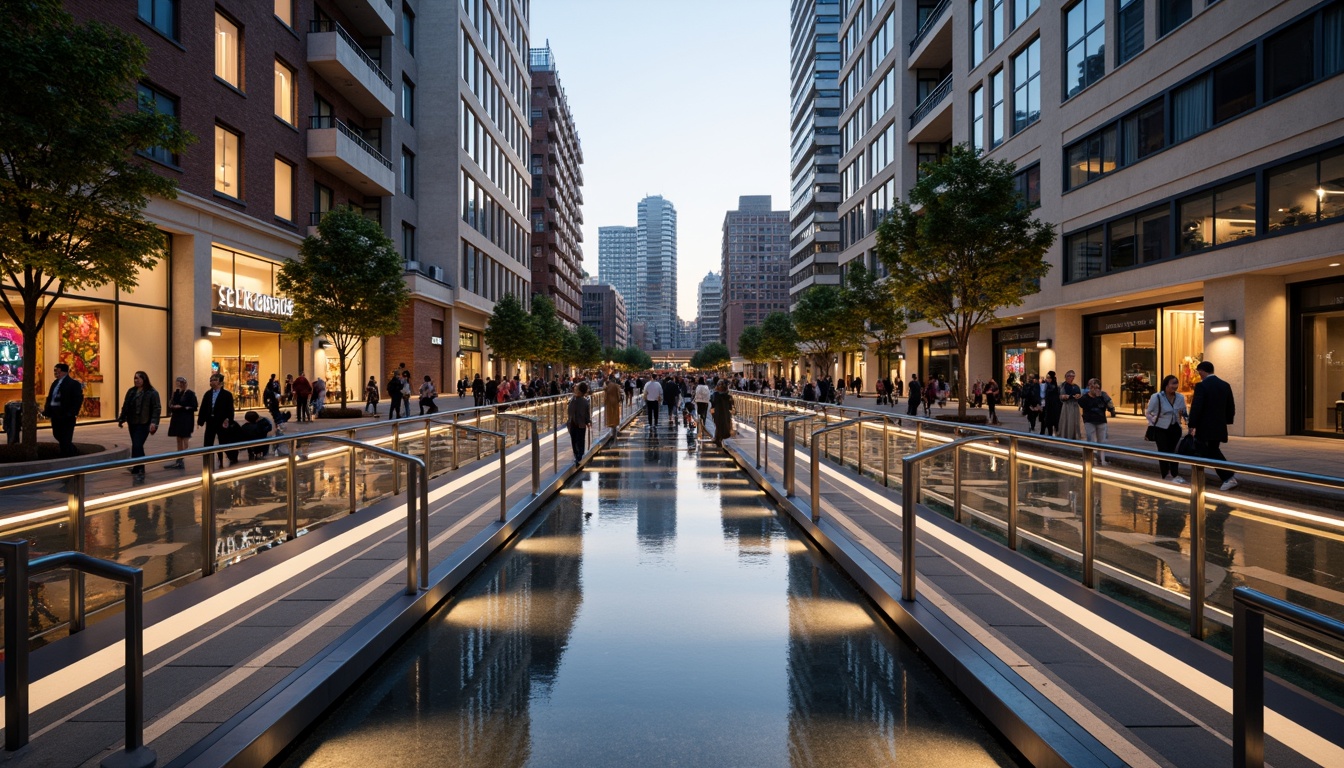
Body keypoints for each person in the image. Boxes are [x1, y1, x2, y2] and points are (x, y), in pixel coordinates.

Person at [1188, 361, 1238, 490]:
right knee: (1210, 450)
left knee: (1209, 451)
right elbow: (1230, 406)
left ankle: (1228, 477)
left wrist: (1192, 424)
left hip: (1205, 427)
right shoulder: (1225, 385)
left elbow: (1196, 407)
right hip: (1219, 426)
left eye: (1199, 373)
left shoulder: (1202, 386)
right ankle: (1203, 478)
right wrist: (1226, 421)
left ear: (1202, 371)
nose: (1199, 375)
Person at [117, 370, 161, 477]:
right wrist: (122, 418)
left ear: (144, 379)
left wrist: (154, 423)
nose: (136, 380)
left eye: (138, 378)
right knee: (137, 446)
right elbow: (126, 405)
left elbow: (156, 408)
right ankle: (138, 467)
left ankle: (139, 467)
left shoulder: (152, 392)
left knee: (137, 445)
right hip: (133, 422)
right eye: (135, 378)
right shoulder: (131, 391)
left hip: (144, 422)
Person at [1146, 374, 1189, 484]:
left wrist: (1189, 425)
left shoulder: (1180, 397)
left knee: (1174, 452)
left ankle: (1175, 474)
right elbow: (1148, 412)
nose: (1175, 386)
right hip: (1161, 428)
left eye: (1176, 383)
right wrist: (1154, 421)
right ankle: (1166, 474)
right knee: (1163, 451)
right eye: (1172, 383)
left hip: (1175, 428)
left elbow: (1184, 412)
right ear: (1166, 384)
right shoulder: (1157, 397)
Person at [42, 362, 84, 457]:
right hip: (55, 414)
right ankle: (72, 451)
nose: (55, 373)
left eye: (57, 371)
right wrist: (47, 410)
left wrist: (72, 412)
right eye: (54, 371)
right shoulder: (55, 383)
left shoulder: (73, 384)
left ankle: (67, 454)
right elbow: (50, 397)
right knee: (57, 434)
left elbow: (77, 399)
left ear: (64, 372)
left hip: (66, 415)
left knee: (66, 436)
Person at [198, 373, 235, 465]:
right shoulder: (208, 394)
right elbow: (203, 407)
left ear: (220, 382)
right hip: (210, 421)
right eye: (211, 380)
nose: (212, 382)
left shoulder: (227, 395)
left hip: (221, 421)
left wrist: (229, 419)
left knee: (224, 440)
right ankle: (207, 459)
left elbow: (230, 409)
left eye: (215, 380)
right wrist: (201, 420)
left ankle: (231, 457)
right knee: (208, 441)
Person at [1079, 378, 1117, 464]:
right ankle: (1093, 459)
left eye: (1097, 387)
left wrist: (1112, 410)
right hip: (1089, 420)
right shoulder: (1085, 397)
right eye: (1092, 387)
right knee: (1091, 440)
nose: (1095, 389)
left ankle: (1102, 459)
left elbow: (1109, 403)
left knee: (1102, 441)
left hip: (1101, 420)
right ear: (1089, 387)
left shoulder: (1103, 395)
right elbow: (1081, 403)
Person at [165, 376, 198, 469]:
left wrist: (182, 407)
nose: (180, 385)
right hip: (177, 418)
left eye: (181, 383)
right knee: (179, 440)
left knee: (185, 441)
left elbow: (194, 406)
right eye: (178, 383)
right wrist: (174, 406)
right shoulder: (176, 393)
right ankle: (179, 460)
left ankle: (180, 459)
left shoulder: (190, 394)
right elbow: (171, 404)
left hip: (186, 419)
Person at [1057, 370, 1084, 439]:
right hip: (1067, 405)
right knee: (1067, 420)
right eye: (1071, 376)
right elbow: (1060, 396)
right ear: (1066, 377)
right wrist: (1068, 396)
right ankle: (1066, 434)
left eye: (1073, 376)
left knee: (1075, 421)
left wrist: (1078, 396)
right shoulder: (1063, 386)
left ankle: (1075, 435)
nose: (1072, 378)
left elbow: (1079, 394)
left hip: (1075, 405)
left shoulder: (1076, 386)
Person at [710, 380, 734, 448]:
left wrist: (712, 412)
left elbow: (712, 404)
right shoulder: (728, 396)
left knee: (718, 425)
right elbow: (731, 406)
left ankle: (718, 438)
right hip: (725, 413)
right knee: (724, 426)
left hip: (718, 413)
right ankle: (719, 438)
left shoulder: (715, 395)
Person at [1041, 371, 1062, 437]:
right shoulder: (1045, 385)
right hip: (1047, 406)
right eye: (1047, 378)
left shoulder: (1054, 386)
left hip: (1055, 407)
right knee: (1047, 421)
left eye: (1049, 378)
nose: (1048, 379)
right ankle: (1048, 434)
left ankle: (1055, 434)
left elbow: (1053, 390)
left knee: (1055, 422)